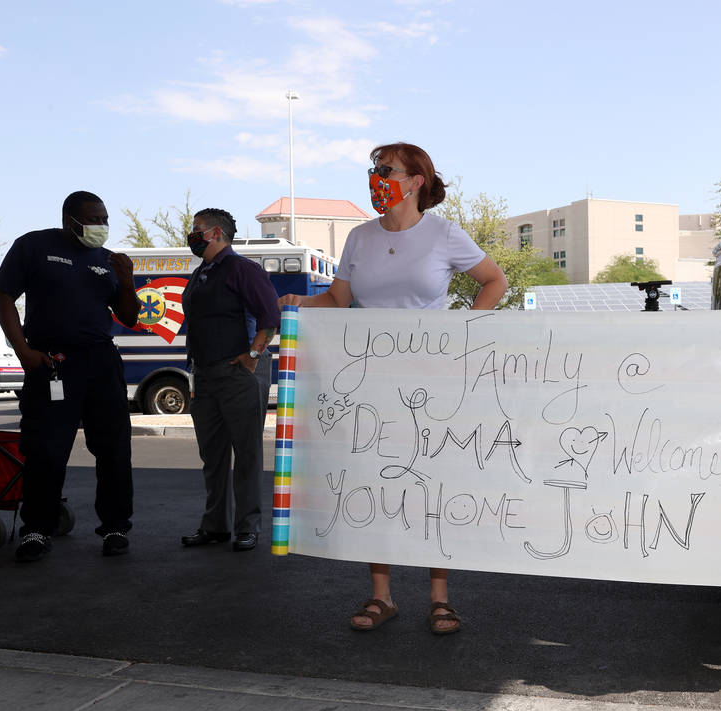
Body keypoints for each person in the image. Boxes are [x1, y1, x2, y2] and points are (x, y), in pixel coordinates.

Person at [281, 142, 508, 634]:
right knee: (376, 480)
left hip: (432, 383)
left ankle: (440, 598)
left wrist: (463, 332)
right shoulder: (360, 238)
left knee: (431, 484)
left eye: (386, 170)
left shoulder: (445, 234)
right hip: (371, 383)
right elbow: (340, 298)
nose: (376, 178)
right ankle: (382, 596)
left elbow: (494, 281)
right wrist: (300, 301)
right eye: (373, 170)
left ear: (415, 181)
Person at [0, 191, 138, 562]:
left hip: (101, 363)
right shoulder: (34, 245)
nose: (100, 227)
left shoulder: (106, 260)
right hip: (51, 361)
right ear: (68, 219)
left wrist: (126, 282)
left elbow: (129, 318)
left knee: (114, 449)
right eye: (93, 219)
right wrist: (23, 351)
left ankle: (116, 527)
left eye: (104, 219)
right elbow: (3, 297)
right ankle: (37, 531)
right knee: (45, 449)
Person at [179, 208, 281, 552]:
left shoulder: (242, 270)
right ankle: (215, 526)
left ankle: (246, 527)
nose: (192, 235)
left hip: (238, 374)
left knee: (247, 455)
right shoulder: (201, 274)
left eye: (197, 230)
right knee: (213, 456)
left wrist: (253, 356)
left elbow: (270, 316)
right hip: (206, 376)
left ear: (217, 233)